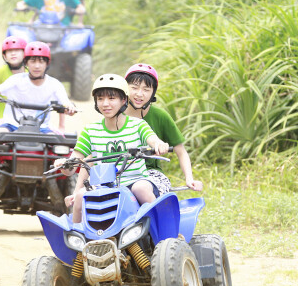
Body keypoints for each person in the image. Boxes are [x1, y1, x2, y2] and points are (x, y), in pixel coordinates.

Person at [54, 73, 169, 224]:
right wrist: (64, 165)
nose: (105, 104)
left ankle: (164, 232)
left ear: (123, 100)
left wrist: (159, 145)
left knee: (141, 188)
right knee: (81, 197)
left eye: (111, 98)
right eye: (100, 99)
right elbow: (72, 166)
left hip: (135, 180)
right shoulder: (90, 131)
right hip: (103, 185)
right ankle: (78, 240)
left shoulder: (138, 125)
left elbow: (153, 140)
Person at [124, 63, 203, 193]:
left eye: (146, 89)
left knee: (146, 191)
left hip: (150, 174)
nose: (139, 94)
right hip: (120, 172)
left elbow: (181, 151)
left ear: (153, 92)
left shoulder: (160, 116)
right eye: (135, 88)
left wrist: (189, 178)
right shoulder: (115, 116)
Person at [0, 41, 76, 134]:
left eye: (41, 62)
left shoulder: (55, 84)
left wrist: (69, 108)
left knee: (56, 142)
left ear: (47, 63)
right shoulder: (16, 80)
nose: (37, 66)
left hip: (42, 128)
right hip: (12, 125)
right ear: (26, 63)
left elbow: (65, 102)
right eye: (33, 61)